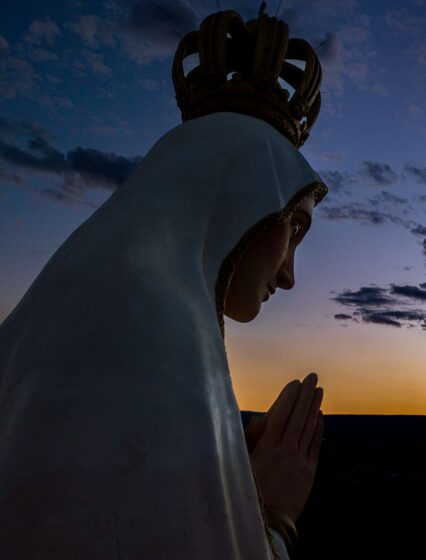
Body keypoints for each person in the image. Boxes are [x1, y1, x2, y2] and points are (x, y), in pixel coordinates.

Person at [0, 30, 329, 560]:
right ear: (244, 199)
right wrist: (275, 516)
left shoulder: (63, 313)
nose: (290, 275)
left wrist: (212, 479)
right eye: (295, 228)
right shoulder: (152, 332)